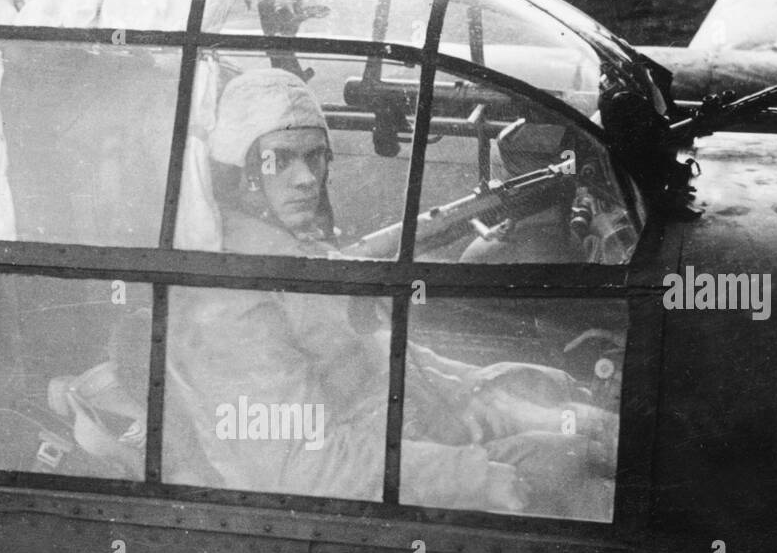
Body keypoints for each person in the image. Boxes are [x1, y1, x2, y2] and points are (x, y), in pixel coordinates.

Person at [164, 67, 616, 518]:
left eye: (315, 156)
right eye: (278, 159)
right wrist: (473, 475)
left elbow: (395, 363)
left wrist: (516, 400)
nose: (305, 178)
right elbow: (299, 466)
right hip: (378, 487)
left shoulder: (296, 254)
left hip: (416, 444)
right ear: (239, 171)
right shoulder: (228, 306)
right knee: (587, 485)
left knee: (588, 438)